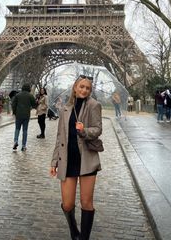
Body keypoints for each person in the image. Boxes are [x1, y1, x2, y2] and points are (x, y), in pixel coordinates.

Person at [50, 76, 102, 240]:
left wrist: (84, 130)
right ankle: (74, 232)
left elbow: (98, 129)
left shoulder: (94, 105)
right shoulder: (66, 108)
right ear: (75, 87)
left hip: (87, 159)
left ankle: (84, 238)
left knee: (86, 202)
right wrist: (54, 161)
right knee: (67, 204)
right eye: (82, 87)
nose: (84, 90)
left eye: (88, 88)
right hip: (68, 160)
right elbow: (60, 137)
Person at [12, 83, 36, 151]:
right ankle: (23, 145)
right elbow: (34, 105)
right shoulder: (30, 96)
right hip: (26, 115)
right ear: (29, 88)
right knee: (25, 130)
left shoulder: (17, 95)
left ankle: (15, 141)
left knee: (17, 129)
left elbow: (13, 104)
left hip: (18, 115)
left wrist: (14, 112)